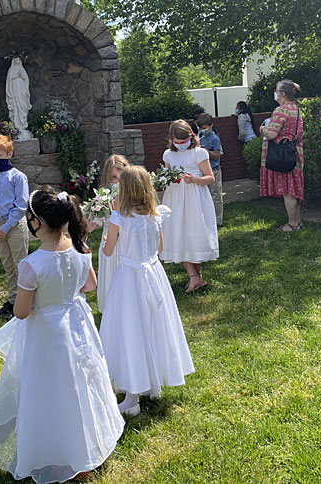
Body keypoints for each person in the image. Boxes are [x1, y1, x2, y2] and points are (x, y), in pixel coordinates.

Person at [0, 187, 124, 483]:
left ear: (36, 223)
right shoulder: (81, 249)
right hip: (77, 325)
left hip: (48, 335)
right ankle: (84, 453)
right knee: (81, 384)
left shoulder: (31, 265)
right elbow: (90, 286)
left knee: (50, 391)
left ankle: (54, 453)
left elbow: (21, 311)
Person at [99, 165, 195, 417]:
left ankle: (132, 397)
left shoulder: (119, 219)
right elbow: (160, 248)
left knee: (131, 329)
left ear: (125, 190)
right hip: (153, 274)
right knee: (153, 326)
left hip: (130, 277)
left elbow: (108, 251)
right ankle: (152, 384)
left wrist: (111, 232)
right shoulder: (155, 216)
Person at [159, 119, 219, 293]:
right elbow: (167, 174)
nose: (181, 145)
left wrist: (193, 179)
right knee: (177, 232)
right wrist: (164, 179)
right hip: (175, 198)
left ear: (191, 138)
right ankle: (193, 275)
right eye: (177, 143)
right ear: (171, 140)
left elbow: (210, 177)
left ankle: (196, 275)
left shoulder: (199, 153)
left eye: (184, 142)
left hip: (195, 197)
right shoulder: (168, 155)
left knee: (194, 232)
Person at [0, 134, 29, 320]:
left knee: (20, 265)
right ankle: (12, 300)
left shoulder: (18, 177)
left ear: (9, 154)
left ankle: (25, 302)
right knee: (8, 266)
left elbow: (21, 205)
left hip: (14, 226)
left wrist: (6, 227)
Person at [259, 79, 304, 232]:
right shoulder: (295, 109)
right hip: (295, 153)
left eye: (277, 91)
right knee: (294, 188)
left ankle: (291, 224)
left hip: (282, 155)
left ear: (283, 94)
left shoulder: (281, 110)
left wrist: (262, 129)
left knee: (287, 190)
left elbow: (271, 134)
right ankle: (297, 222)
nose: (275, 94)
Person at [87, 154, 128, 313]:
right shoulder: (102, 197)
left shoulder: (130, 196)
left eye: (120, 177)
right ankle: (112, 308)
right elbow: (92, 224)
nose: (117, 182)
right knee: (111, 273)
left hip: (126, 240)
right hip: (108, 241)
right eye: (113, 178)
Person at [196, 112, 224, 227]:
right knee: (204, 197)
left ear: (211, 125)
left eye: (205, 128)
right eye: (201, 128)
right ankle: (206, 220)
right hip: (203, 172)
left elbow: (217, 155)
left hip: (214, 169)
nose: (203, 130)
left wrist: (206, 151)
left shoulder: (215, 139)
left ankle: (218, 221)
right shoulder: (199, 138)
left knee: (216, 196)